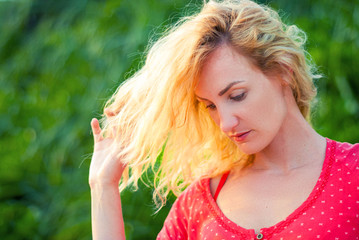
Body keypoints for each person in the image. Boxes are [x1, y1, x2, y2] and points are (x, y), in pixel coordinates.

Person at [89, 0, 359, 239]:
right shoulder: (198, 204)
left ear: (283, 70)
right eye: (210, 106)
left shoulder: (353, 174)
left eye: (237, 95)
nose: (225, 123)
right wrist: (103, 185)